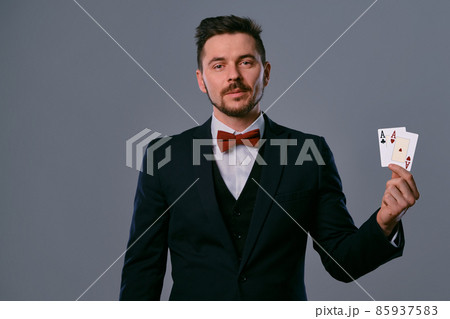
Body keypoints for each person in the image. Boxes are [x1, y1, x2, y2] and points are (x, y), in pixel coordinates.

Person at [119, 15, 419, 300]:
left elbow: (343, 262)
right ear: (201, 79)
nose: (233, 76)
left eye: (245, 62)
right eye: (219, 66)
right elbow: (142, 271)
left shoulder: (310, 152)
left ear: (267, 72)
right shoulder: (163, 156)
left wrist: (384, 221)